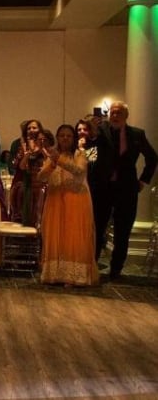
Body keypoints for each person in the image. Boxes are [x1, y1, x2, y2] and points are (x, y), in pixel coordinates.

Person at [97, 101, 157, 279]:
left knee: (123, 231)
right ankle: (92, 264)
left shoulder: (137, 134)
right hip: (104, 188)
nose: (114, 116)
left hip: (127, 189)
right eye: (113, 112)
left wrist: (143, 181)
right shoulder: (101, 131)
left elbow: (152, 158)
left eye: (119, 113)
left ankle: (116, 269)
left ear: (125, 116)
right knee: (98, 228)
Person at [37, 124, 99, 286]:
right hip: (55, 199)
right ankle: (56, 273)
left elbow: (79, 171)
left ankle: (74, 276)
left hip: (76, 199)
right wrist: (52, 163)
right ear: (57, 138)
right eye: (62, 135)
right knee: (56, 235)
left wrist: (59, 160)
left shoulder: (80, 153)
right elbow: (41, 177)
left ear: (74, 139)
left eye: (68, 136)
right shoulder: (52, 156)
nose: (65, 138)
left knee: (73, 236)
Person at [76, 117, 113, 265]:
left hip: (98, 193)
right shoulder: (76, 145)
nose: (82, 132)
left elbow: (91, 165)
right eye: (79, 129)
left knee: (96, 228)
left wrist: (83, 150)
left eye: (85, 129)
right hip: (80, 192)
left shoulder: (97, 144)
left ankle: (92, 261)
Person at [11, 119, 46, 226]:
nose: (31, 130)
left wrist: (40, 148)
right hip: (23, 180)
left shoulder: (44, 144)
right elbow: (17, 165)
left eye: (34, 128)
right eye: (29, 128)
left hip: (39, 181)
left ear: (40, 129)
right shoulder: (22, 145)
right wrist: (26, 153)